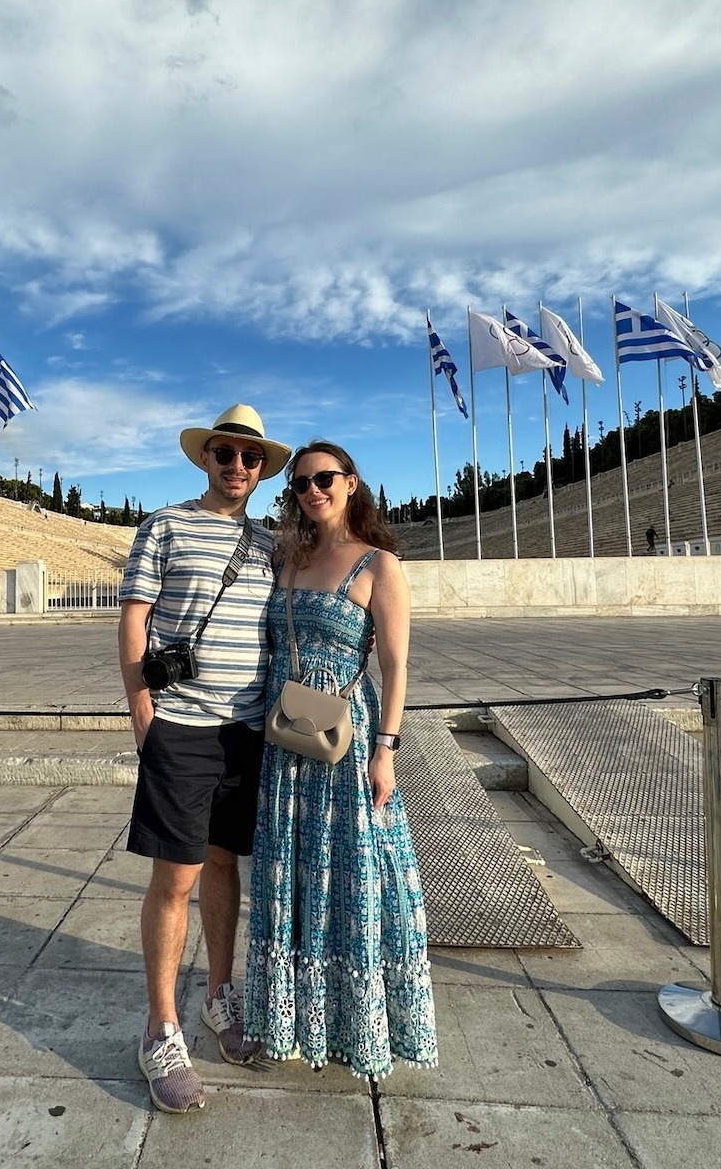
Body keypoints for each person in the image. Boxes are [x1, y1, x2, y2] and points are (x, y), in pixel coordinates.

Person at [244, 441, 438, 1078]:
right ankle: (292, 1022)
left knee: (348, 878)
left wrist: (387, 750)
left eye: (325, 478)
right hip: (285, 739)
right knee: (291, 875)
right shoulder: (289, 558)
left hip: (346, 745)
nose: (312, 490)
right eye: (301, 483)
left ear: (352, 483)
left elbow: (397, 664)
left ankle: (352, 1027)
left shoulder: (379, 565)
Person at [118, 404, 291, 1113]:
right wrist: (144, 719)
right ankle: (160, 1028)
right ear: (205, 459)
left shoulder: (270, 543)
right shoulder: (162, 525)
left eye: (250, 458)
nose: (237, 466)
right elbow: (133, 617)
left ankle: (221, 997)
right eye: (225, 453)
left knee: (225, 865)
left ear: (261, 469)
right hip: (181, 728)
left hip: (246, 732)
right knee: (177, 877)